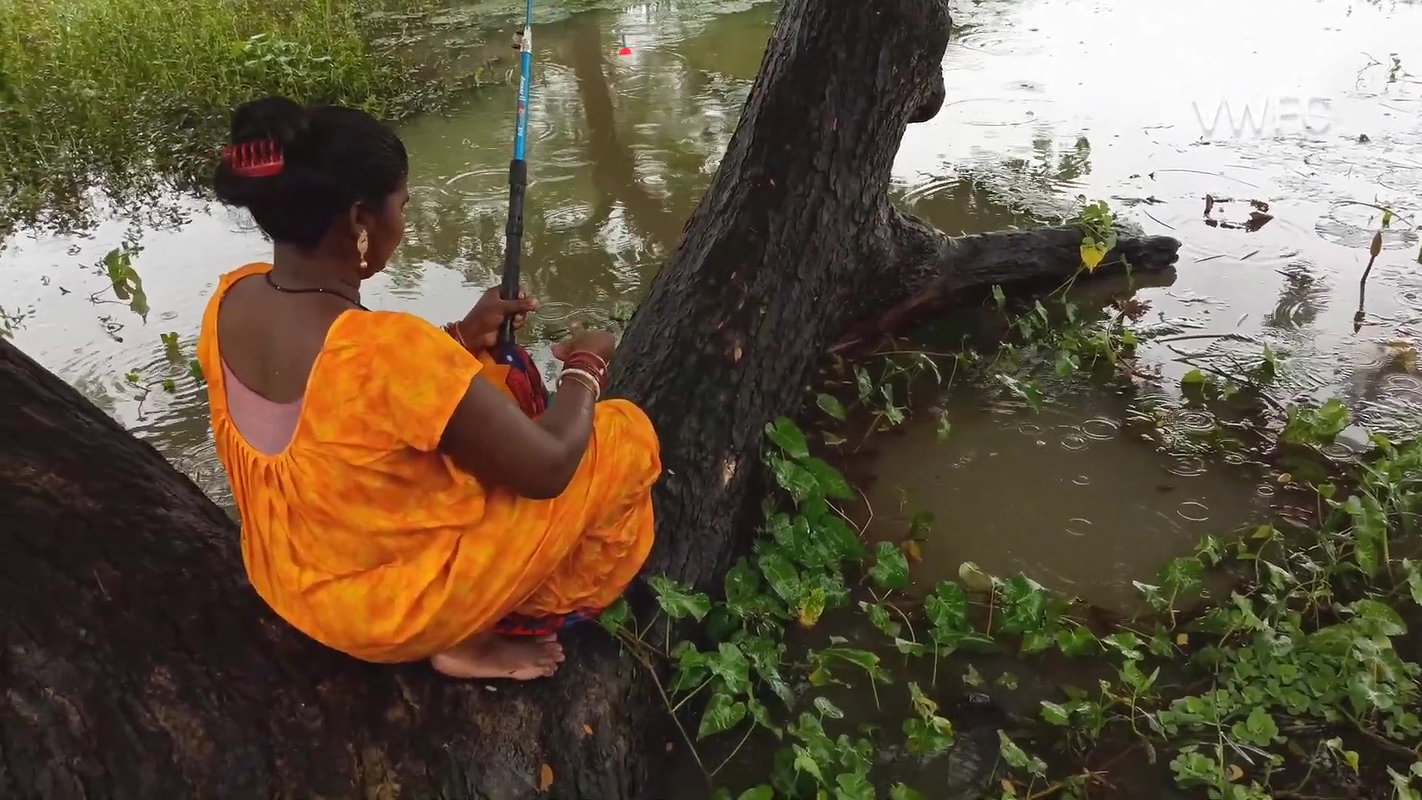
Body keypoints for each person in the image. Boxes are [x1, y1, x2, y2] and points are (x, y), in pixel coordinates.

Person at [197, 95, 661, 681]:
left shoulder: (229, 299)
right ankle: (474, 633)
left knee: (492, 381)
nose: (404, 224)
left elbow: (348, 413)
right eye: (403, 207)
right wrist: (587, 365)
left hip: (287, 576)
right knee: (622, 435)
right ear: (361, 219)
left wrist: (463, 336)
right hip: (392, 613)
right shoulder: (386, 350)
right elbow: (548, 470)